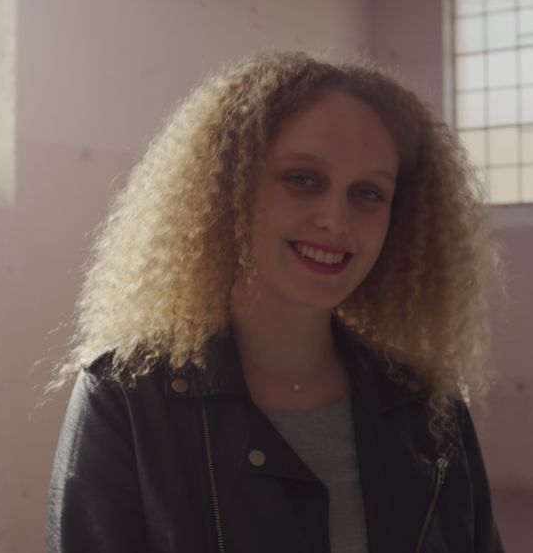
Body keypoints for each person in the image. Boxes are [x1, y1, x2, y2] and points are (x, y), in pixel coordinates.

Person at [46, 51, 505, 553]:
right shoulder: (126, 395)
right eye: (302, 179)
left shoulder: (429, 407)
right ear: (229, 190)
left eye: (369, 193)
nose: (335, 219)